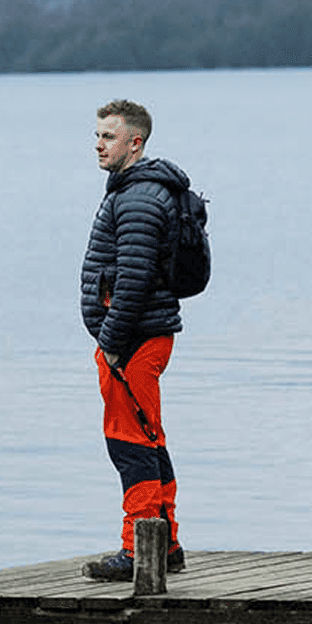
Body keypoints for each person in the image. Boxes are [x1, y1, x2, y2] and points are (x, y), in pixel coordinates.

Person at [80, 99, 191, 581]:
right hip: (141, 336)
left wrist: (112, 341)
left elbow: (136, 277)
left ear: (135, 142)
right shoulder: (136, 190)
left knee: (130, 443)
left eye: (109, 136)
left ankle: (138, 549)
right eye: (97, 136)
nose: (99, 145)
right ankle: (164, 545)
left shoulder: (139, 197)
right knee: (149, 437)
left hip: (135, 340)